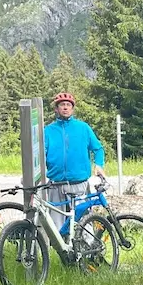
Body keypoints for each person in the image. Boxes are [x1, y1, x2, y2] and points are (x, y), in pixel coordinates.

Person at [43, 92, 105, 236]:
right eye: (62, 105)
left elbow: (98, 148)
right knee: (56, 223)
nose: (65, 108)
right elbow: (39, 154)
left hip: (79, 183)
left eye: (68, 105)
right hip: (56, 184)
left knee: (83, 221)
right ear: (56, 109)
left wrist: (99, 165)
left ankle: (88, 252)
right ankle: (61, 253)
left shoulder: (83, 128)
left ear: (72, 109)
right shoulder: (48, 131)